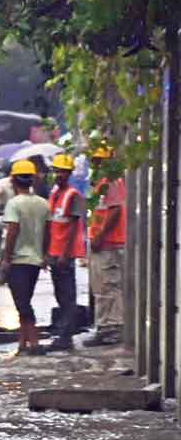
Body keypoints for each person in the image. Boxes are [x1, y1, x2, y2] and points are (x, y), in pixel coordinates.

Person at [0, 159, 50, 356]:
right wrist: (44, 254)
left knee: (22, 303)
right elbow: (48, 232)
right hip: (35, 261)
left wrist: (6, 258)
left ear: (12, 180)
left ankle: (33, 342)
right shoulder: (43, 204)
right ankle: (23, 342)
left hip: (18, 260)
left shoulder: (14, 204)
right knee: (24, 300)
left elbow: (12, 231)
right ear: (33, 180)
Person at [85, 146, 126, 346]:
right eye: (94, 160)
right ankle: (104, 327)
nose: (96, 164)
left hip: (109, 244)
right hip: (103, 244)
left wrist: (101, 236)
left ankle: (112, 328)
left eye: (99, 160)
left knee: (109, 287)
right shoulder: (100, 184)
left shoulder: (111, 182)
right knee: (101, 288)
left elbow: (116, 209)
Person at [46, 153, 85, 351]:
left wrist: (64, 254)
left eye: (62, 172)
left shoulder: (73, 196)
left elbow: (71, 227)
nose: (59, 175)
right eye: (57, 171)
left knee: (67, 295)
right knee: (60, 294)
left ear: (69, 174)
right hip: (54, 251)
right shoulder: (55, 194)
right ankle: (63, 333)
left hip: (64, 254)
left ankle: (65, 336)